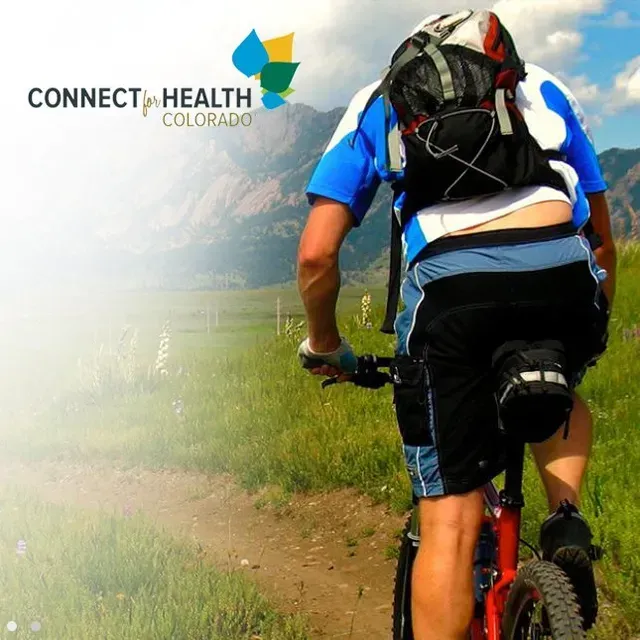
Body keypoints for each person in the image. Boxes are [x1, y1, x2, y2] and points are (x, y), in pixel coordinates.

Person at [297, 10, 615, 640]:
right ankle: (566, 519)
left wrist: (326, 345)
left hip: (451, 292)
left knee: (448, 514)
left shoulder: (377, 99)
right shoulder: (544, 86)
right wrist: (593, 317)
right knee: (561, 388)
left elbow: (315, 254)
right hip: (563, 270)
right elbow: (601, 236)